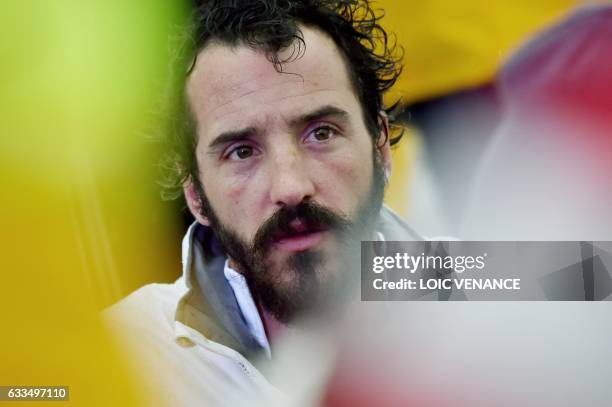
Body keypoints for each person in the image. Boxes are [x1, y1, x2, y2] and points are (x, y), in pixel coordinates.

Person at [105, 0, 418, 404]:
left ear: (380, 146)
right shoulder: (126, 352)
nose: (290, 187)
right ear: (195, 193)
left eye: (321, 133)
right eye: (241, 152)